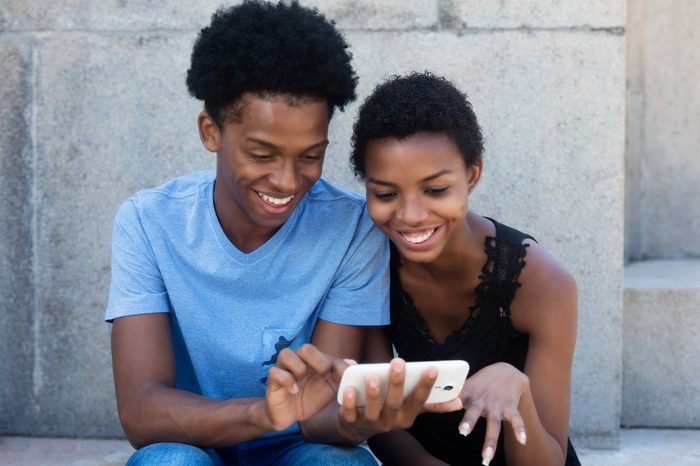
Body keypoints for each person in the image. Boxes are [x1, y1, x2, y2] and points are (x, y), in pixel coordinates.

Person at [105, 3, 439, 465]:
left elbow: (320, 413)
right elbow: (141, 412)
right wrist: (262, 413)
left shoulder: (352, 229)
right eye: (262, 154)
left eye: (310, 155)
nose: (286, 181)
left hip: (301, 447)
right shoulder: (149, 222)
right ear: (211, 131)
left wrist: (355, 420)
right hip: (192, 444)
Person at [349, 72, 582, 466]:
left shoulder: (543, 284)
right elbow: (378, 414)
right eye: (386, 194)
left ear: (471, 175)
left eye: (436, 190)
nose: (410, 215)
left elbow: (550, 460)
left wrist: (518, 391)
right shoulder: (368, 261)